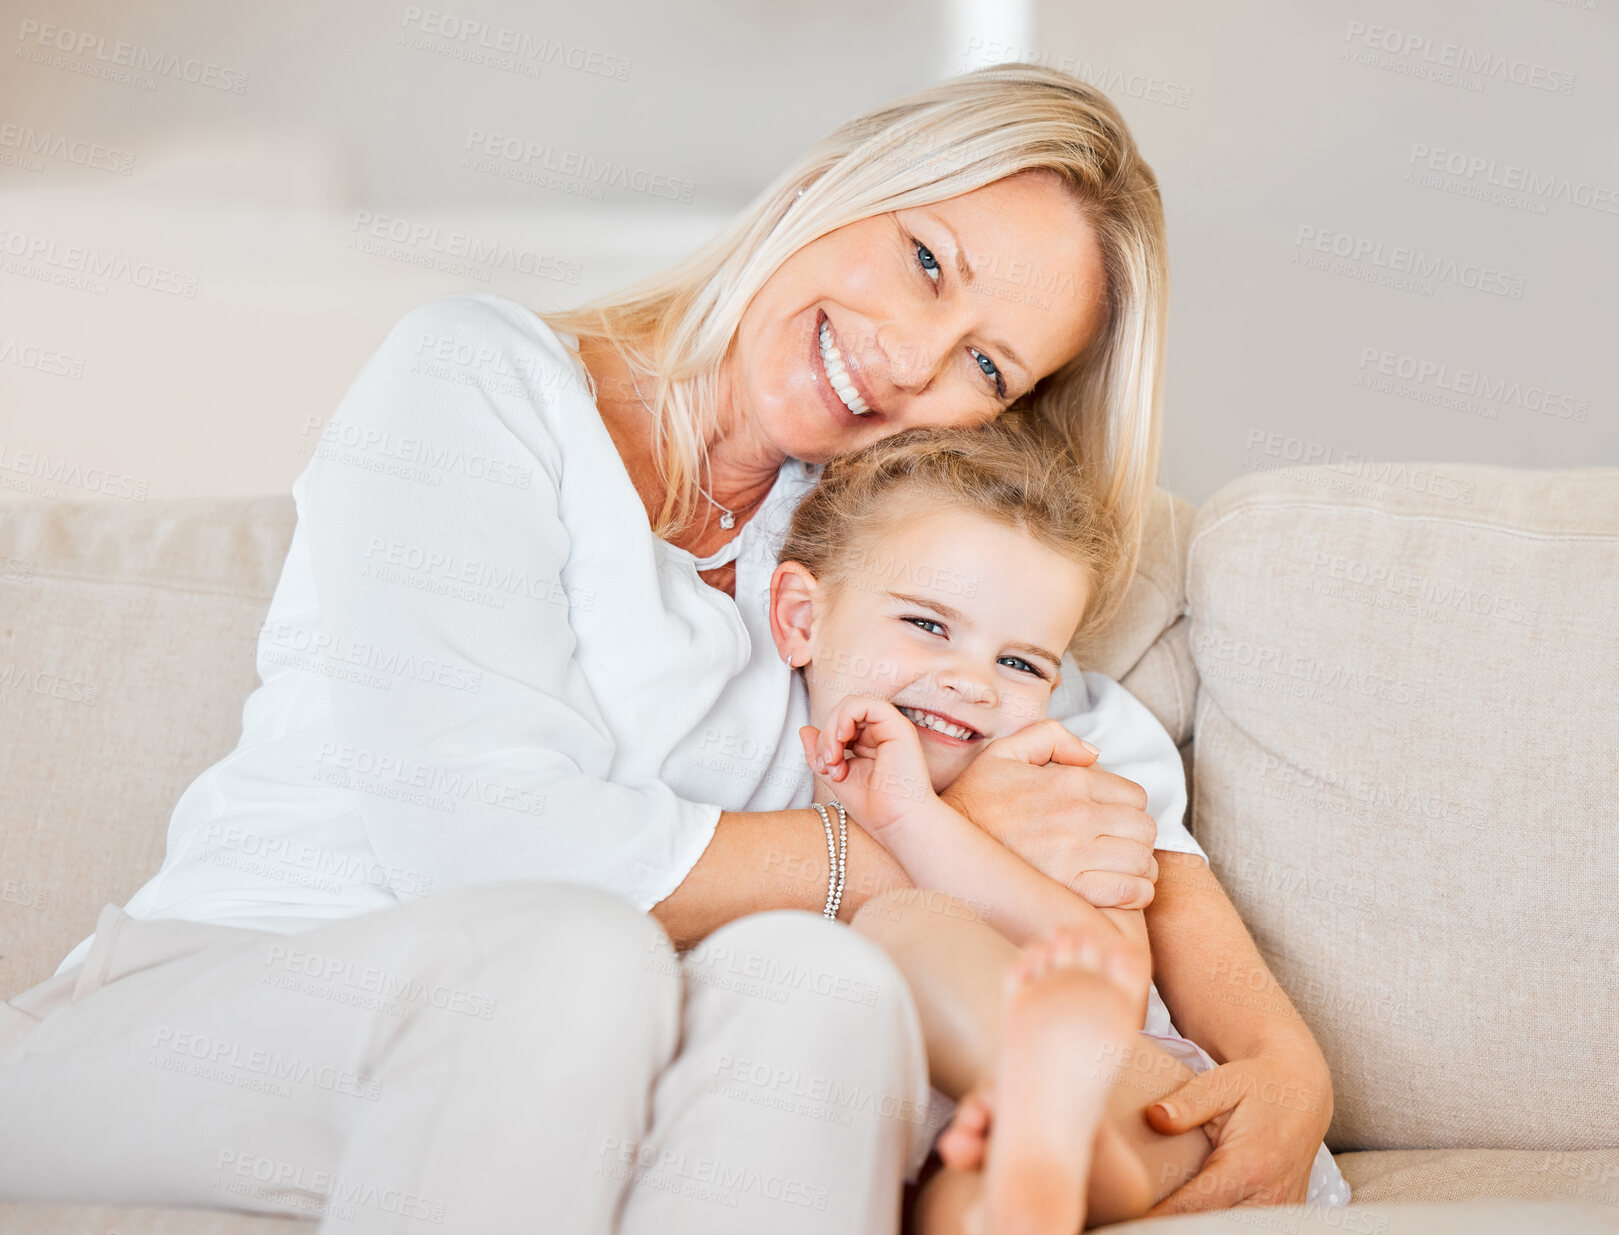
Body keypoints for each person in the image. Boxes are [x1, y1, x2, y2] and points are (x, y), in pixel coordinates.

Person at [0, 64, 1330, 1233]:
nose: (912, 359)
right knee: (578, 956)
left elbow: (1088, 776)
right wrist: (928, 826)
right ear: (831, 180)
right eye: (927, 260)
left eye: (985, 368)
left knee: (821, 988)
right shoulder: (477, 380)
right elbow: (487, 844)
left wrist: (1279, 1053)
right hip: (216, 1001)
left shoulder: (853, 557)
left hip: (584, 1060)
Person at [761, 420, 1350, 1232]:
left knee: (904, 919)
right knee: (964, 1195)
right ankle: (1027, 1172)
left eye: (1020, 663)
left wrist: (914, 820)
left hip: (1133, 1103)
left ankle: (1055, 1128)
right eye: (927, 624)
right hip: (947, 1143)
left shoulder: (1063, 775)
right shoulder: (762, 760)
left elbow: (1108, 976)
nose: (969, 681)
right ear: (800, 618)